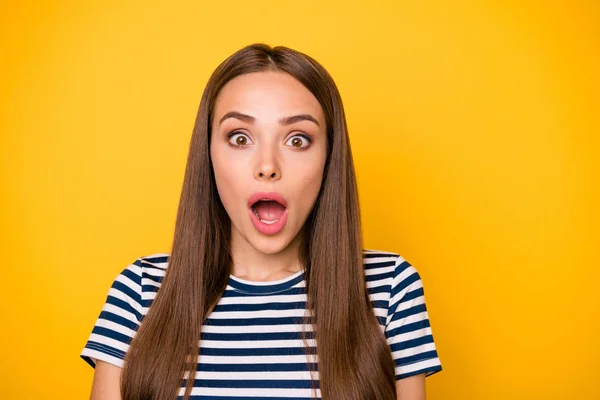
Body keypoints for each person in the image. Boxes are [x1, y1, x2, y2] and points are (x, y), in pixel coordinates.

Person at [80, 43, 443, 400]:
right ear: (208, 155)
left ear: (329, 159)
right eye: (240, 138)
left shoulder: (390, 288)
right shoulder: (140, 293)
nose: (267, 166)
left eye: (298, 140)